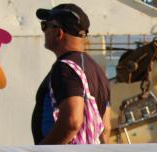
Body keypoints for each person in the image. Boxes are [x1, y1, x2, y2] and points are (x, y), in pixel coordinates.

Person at [31, 4, 112, 144]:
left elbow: (72, 122)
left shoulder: (66, 67)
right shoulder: (98, 72)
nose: (43, 31)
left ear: (59, 33)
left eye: (45, 25)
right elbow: (106, 129)